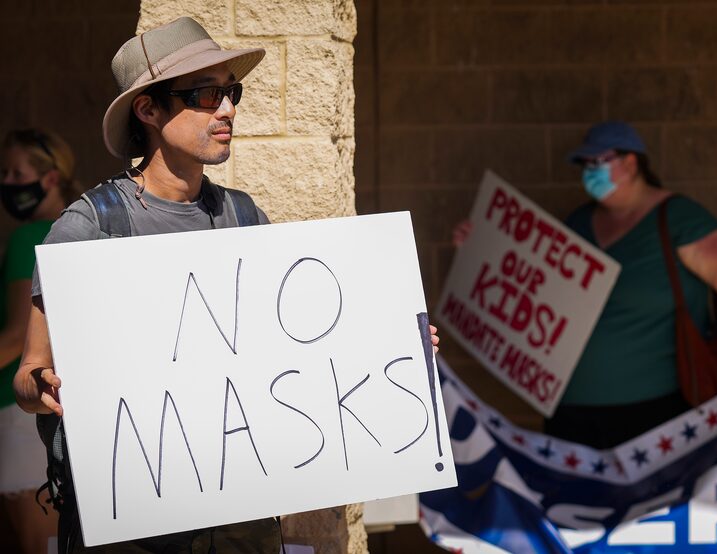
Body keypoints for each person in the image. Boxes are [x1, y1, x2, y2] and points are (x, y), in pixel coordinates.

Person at [12, 16, 441, 554]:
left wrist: (386, 348)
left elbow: (287, 351)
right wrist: (48, 387)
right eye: (205, 95)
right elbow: (27, 377)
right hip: (133, 528)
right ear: (148, 110)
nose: (228, 109)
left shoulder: (242, 218)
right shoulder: (89, 227)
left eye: (230, 92)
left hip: (242, 525)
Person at [454, 121, 717, 450]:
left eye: (600, 161)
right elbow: (529, 284)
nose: (590, 171)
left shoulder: (676, 218)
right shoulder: (578, 222)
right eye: (585, 164)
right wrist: (483, 246)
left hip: (655, 413)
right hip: (572, 415)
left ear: (632, 163)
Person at [0, 128, 74, 553]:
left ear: (49, 178)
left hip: (20, 409)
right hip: (51, 406)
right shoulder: (77, 230)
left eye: (16, 172)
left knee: (37, 543)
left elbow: (15, 337)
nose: (8, 183)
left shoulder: (28, 237)